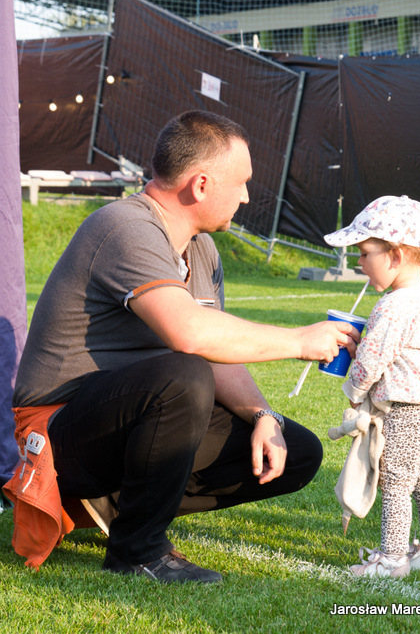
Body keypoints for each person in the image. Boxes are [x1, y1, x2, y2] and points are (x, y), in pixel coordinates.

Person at [10, 110, 358, 585]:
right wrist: (299, 341)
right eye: (241, 182)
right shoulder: (125, 227)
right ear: (200, 185)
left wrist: (263, 416)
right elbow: (190, 334)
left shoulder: (200, 247)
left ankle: (119, 504)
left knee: (295, 451)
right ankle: (137, 552)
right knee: (184, 374)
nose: (246, 196)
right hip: (58, 429)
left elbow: (212, 348)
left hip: (127, 418)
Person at [324, 195, 420, 578]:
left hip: (409, 411)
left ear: (396, 255)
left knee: (396, 481)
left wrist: (354, 393)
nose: (359, 262)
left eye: (364, 253)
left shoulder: (393, 305)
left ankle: (392, 559)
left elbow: (370, 361)